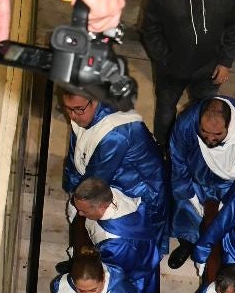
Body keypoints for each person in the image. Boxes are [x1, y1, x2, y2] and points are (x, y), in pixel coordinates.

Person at [141, 0, 235, 145]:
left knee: (203, 111)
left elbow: (234, 27)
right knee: (165, 111)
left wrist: (225, 62)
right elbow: (150, 28)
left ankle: (194, 147)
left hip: (208, 68)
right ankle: (163, 147)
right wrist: (164, 58)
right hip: (171, 69)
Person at [166, 96, 235, 269]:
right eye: (204, 132)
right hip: (196, 174)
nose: (209, 139)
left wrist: (226, 204)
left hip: (228, 184)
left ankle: (220, 251)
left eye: (217, 134)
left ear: (229, 126)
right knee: (185, 207)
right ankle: (187, 243)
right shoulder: (187, 122)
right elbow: (177, 159)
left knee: (227, 219)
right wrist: (189, 194)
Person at [69, 175, 163, 293]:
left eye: (84, 211)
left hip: (133, 272)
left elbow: (109, 274)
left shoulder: (114, 242)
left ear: (103, 205)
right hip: (139, 253)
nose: (80, 213)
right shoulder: (111, 191)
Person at [59, 87, 167, 230]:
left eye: (78, 109)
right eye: (67, 109)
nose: (72, 116)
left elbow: (96, 180)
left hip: (137, 187)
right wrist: (72, 188)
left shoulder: (115, 134)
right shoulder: (83, 114)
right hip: (115, 172)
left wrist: (77, 204)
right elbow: (75, 154)